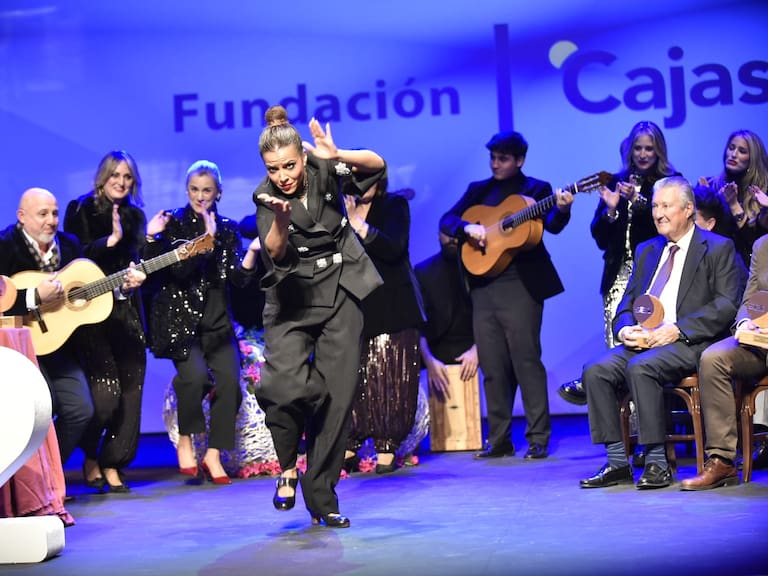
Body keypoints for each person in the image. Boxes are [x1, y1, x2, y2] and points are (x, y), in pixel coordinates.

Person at [253, 105, 385, 528]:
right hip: (292, 294)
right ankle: (287, 465)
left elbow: (377, 165)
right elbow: (275, 252)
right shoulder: (265, 196)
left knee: (339, 396)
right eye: (274, 168)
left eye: (289, 165)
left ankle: (322, 496)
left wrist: (338, 152)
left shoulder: (325, 167)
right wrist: (280, 219)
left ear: (302, 157)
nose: (283, 175)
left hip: (342, 284)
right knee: (282, 385)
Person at [579, 176, 745, 490]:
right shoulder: (647, 249)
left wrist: (676, 330)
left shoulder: (717, 247)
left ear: (688, 209)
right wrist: (625, 329)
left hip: (688, 341)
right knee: (596, 369)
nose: (658, 214)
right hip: (645, 339)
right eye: (655, 206)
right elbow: (627, 302)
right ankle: (617, 462)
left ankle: (657, 462)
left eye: (666, 206)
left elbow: (726, 305)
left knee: (641, 367)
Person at [439, 130, 573, 461]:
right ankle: (498, 439)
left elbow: (552, 225)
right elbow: (447, 219)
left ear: (519, 160)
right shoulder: (478, 190)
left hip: (522, 285)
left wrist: (562, 209)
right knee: (493, 364)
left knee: (526, 360)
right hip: (484, 286)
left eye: (503, 159)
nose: (495, 164)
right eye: (493, 158)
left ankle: (538, 438)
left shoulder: (536, 190)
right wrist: (466, 228)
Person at [144, 160, 260, 485]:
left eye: (207, 190)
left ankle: (213, 453)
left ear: (218, 193)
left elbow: (237, 278)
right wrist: (204, 243)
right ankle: (186, 439)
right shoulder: (175, 224)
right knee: (193, 379)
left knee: (230, 384)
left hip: (217, 323)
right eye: (194, 189)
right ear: (187, 190)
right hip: (182, 323)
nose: (200, 196)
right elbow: (179, 271)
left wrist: (251, 254)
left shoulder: (228, 228)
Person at [559, 121, 680, 406]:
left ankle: (652, 421)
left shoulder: (669, 182)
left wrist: (638, 200)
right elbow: (599, 237)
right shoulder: (616, 181)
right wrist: (611, 211)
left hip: (656, 275)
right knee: (618, 347)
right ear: (629, 150)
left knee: (649, 349)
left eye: (649, 148)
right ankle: (625, 424)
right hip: (617, 276)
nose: (643, 154)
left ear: (659, 151)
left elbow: (671, 226)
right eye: (638, 148)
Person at [63, 150, 148, 493]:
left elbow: (138, 260)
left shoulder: (135, 215)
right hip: (89, 316)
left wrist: (137, 277)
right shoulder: (80, 209)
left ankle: (113, 462)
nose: (122, 183)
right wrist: (108, 242)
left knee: (131, 394)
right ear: (104, 176)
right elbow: (73, 260)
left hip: (125, 311)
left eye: (128, 177)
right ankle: (91, 455)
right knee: (105, 395)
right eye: (116, 175)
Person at [0, 188, 93, 466]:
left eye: (54, 213)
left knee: (80, 409)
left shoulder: (69, 245)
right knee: (41, 408)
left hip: (59, 347)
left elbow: (85, 286)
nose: (51, 221)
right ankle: (26, 476)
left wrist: (122, 288)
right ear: (22, 216)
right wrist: (34, 296)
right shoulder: (4, 246)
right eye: (43, 214)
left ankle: (50, 475)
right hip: (18, 349)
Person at [342, 174, 426, 474]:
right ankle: (349, 442)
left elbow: (394, 248)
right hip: (354, 306)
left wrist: (358, 223)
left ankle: (386, 446)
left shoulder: (394, 205)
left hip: (392, 306)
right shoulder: (340, 207)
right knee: (354, 378)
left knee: (388, 375)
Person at [679, 233, 768, 489]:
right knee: (713, 358)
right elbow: (750, 299)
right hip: (761, 340)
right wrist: (745, 322)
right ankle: (722, 461)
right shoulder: (763, 245)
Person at [414, 231, 478, 402]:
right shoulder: (423, 271)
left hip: (472, 349)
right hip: (436, 353)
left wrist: (477, 350)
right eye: (446, 233)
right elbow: (417, 323)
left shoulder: (478, 268)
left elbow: (488, 313)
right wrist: (429, 360)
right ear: (438, 235)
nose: (451, 238)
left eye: (455, 233)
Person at [702, 129, 768, 267]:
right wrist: (709, 203)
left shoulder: (763, 194)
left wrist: (734, 205)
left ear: (753, 159)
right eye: (731, 148)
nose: (733, 154)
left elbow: (752, 246)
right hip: (712, 265)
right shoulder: (710, 186)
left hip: (749, 271)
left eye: (742, 151)